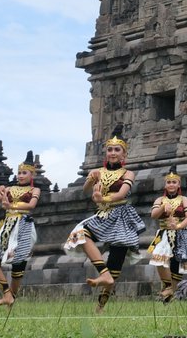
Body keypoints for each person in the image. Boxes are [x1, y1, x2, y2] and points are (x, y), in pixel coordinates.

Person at [64, 127, 146, 313]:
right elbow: (86, 190)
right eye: (110, 149)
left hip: (121, 217)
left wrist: (104, 199)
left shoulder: (128, 173)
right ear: (106, 152)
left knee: (115, 266)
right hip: (102, 215)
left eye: (117, 150)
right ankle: (103, 274)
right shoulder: (97, 171)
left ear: (124, 153)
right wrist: (90, 179)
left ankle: (100, 306)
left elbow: (122, 194)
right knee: (80, 233)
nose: (113, 153)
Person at [0, 151, 41, 306]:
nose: (20, 176)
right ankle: (6, 293)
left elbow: (31, 205)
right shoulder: (9, 189)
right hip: (7, 226)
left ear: (31, 174)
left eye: (24, 173)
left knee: (18, 263)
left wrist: (11, 205)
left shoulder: (34, 190)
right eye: (19, 173)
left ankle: (11, 299)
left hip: (23, 225)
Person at [147, 166, 187, 303]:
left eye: (174, 182)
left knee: (177, 262)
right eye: (169, 182)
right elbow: (153, 215)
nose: (171, 185)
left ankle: (170, 294)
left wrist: (178, 226)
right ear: (165, 184)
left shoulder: (184, 199)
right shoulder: (159, 200)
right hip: (163, 233)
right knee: (158, 258)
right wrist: (163, 207)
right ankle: (168, 285)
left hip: (180, 233)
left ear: (178, 184)